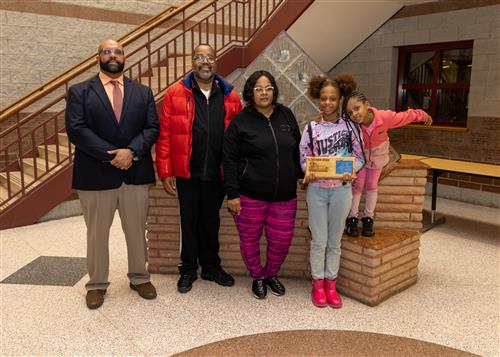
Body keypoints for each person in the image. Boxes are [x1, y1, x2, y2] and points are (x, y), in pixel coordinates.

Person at [65, 39, 160, 309]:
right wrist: (114, 155)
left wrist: (131, 152)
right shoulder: (80, 91)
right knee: (96, 233)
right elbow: (77, 130)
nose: (113, 55)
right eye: (107, 51)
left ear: (124, 56)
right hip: (95, 175)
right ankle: (96, 284)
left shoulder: (142, 92)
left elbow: (152, 128)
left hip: (135, 171)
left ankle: (140, 277)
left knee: (136, 230)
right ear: (98, 57)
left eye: (117, 51)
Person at [155, 44, 242, 293]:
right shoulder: (176, 93)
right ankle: (188, 269)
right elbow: (165, 134)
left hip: (217, 174)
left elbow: (237, 139)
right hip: (187, 173)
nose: (205, 62)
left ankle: (211, 267)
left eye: (210, 57)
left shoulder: (230, 96)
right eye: (199, 57)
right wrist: (165, 170)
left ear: (216, 62)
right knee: (189, 222)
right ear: (192, 61)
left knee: (211, 222)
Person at [223, 70, 303, 299]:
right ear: (251, 92)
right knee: (249, 239)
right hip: (250, 195)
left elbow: (298, 149)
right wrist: (232, 193)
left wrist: (304, 173)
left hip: (285, 195)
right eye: (258, 89)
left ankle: (271, 274)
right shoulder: (241, 120)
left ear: (274, 91)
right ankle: (257, 277)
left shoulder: (286, 115)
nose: (264, 92)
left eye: (268, 88)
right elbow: (228, 158)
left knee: (282, 240)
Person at [300, 74, 365, 308]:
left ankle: (331, 284)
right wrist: (309, 170)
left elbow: (359, 157)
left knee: (334, 241)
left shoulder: (350, 127)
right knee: (319, 240)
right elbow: (304, 158)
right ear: (319, 99)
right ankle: (317, 284)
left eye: (333, 99)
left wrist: (352, 171)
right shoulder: (311, 128)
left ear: (340, 100)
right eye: (324, 98)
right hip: (317, 191)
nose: (327, 103)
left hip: (341, 190)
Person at [344, 91, 433, 237]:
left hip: (378, 157)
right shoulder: (351, 125)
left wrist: (422, 115)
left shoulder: (384, 117)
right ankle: (352, 218)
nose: (354, 114)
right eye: (350, 112)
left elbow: (404, 117)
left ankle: (368, 218)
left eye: (357, 108)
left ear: (367, 105)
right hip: (359, 157)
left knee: (372, 185)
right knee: (358, 184)